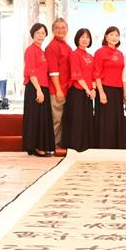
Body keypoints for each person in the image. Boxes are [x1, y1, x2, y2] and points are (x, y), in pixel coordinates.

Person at [21, 23, 54, 157]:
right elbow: (31, 71)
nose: (40, 35)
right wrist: (38, 90)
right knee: (35, 118)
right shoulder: (30, 50)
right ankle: (36, 147)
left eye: (43, 33)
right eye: (38, 33)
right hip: (35, 87)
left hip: (43, 87)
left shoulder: (42, 51)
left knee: (42, 118)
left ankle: (39, 146)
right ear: (33, 34)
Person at [93, 25, 126, 149]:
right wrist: (101, 92)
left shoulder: (120, 54)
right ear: (106, 36)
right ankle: (103, 146)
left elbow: (123, 74)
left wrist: (123, 91)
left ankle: (116, 147)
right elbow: (96, 73)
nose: (114, 37)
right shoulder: (100, 52)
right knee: (105, 120)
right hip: (105, 89)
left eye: (117, 35)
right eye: (111, 34)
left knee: (116, 119)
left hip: (118, 90)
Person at [63, 27, 96, 152]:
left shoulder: (90, 56)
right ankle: (76, 144)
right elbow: (76, 74)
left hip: (88, 92)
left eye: (87, 37)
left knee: (86, 119)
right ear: (77, 39)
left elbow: (94, 74)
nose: (85, 40)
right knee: (77, 119)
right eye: (82, 37)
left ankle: (86, 144)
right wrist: (87, 89)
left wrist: (93, 89)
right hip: (77, 91)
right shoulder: (74, 54)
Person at [45, 18, 72, 153]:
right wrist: (58, 90)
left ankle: (60, 143)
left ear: (67, 29)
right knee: (56, 119)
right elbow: (53, 71)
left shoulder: (66, 46)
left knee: (63, 119)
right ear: (53, 30)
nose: (61, 30)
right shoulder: (52, 47)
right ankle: (54, 145)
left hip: (67, 88)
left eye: (63, 28)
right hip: (57, 89)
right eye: (57, 28)